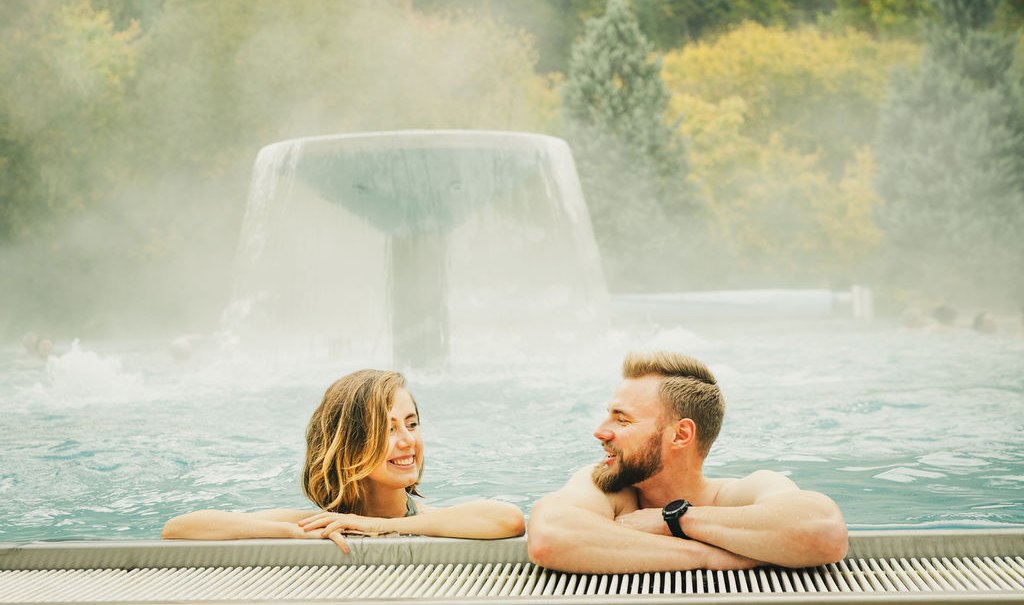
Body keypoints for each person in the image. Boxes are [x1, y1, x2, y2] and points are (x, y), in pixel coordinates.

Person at [527, 351, 848, 573]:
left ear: (680, 435)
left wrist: (674, 520)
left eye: (622, 421)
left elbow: (823, 531)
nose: (599, 432)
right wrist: (706, 557)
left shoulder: (741, 494)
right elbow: (549, 536)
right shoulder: (608, 487)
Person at [162, 369, 524, 552]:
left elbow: (509, 519)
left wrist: (376, 526)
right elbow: (180, 529)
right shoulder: (314, 524)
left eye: (411, 424)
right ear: (349, 445)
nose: (408, 440)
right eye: (388, 429)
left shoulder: (427, 520)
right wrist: (291, 533)